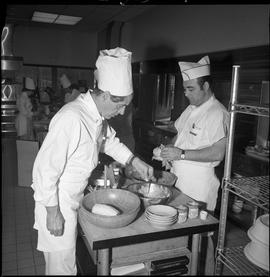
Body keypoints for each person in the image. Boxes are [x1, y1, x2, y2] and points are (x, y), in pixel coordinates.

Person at [31, 47, 154, 275]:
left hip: (71, 200)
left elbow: (109, 142)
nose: (122, 111)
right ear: (105, 95)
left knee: (69, 265)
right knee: (62, 270)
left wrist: (134, 161)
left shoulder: (95, 117)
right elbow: (44, 171)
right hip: (57, 202)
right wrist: (52, 212)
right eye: (119, 105)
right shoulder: (72, 117)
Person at [153, 55, 229, 275]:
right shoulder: (190, 109)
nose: (185, 94)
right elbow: (178, 136)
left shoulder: (218, 113)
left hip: (201, 188)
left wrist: (182, 154)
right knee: (182, 234)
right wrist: (168, 151)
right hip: (180, 183)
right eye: (185, 89)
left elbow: (218, 152)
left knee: (202, 239)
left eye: (190, 89)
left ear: (205, 86)